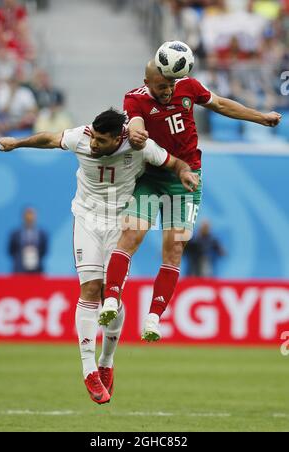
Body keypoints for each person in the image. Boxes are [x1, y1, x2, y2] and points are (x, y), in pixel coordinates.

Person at [0, 108, 199, 404]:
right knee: (90, 289)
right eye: (94, 139)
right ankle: (89, 368)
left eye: (102, 141)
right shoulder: (82, 136)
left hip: (121, 222)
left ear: (119, 137)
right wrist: (17, 143)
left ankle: (107, 360)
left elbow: (173, 162)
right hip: (87, 219)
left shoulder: (140, 145)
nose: (93, 145)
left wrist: (184, 173)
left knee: (111, 295)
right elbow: (49, 139)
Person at [101, 58, 282, 342]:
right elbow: (135, 123)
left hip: (187, 181)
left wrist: (260, 117)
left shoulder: (189, 86)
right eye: (161, 86)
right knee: (131, 235)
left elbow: (221, 105)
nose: (168, 90)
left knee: (174, 249)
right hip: (151, 178)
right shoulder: (134, 99)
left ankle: (153, 318)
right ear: (147, 83)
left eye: (171, 84)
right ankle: (111, 299)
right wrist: (136, 133)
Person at [8, 207, 48, 273]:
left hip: (37, 271)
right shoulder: (15, 234)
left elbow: (44, 251)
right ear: (23, 217)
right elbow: (11, 251)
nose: (29, 217)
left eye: (31, 215)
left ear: (35, 217)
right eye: (27, 215)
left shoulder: (42, 235)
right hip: (19, 271)